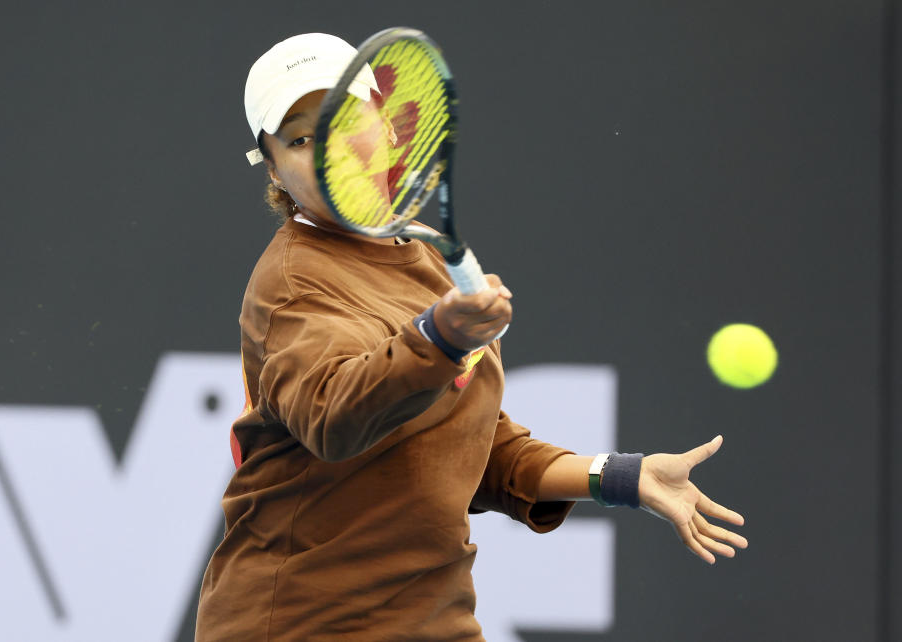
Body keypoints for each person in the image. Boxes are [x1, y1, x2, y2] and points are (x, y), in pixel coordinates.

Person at [195, 32, 747, 641]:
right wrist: (440, 337)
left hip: (434, 619)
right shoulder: (294, 283)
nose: (329, 149)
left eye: (345, 118)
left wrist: (618, 476)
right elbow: (333, 418)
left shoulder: (428, 261)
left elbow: (467, 450)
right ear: (272, 168)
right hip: (302, 624)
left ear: (388, 126)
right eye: (300, 138)